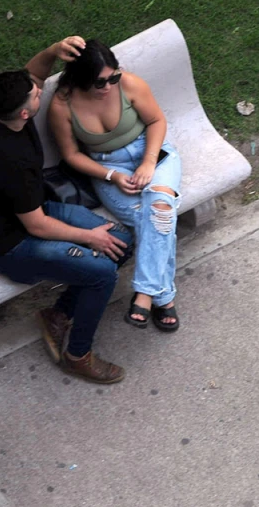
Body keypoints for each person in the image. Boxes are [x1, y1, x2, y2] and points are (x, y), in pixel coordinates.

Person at [0, 37, 133, 383]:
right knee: (102, 271)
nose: (42, 90)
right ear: (26, 113)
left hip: (34, 210)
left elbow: (33, 75)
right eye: (37, 95)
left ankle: (59, 315)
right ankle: (77, 355)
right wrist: (89, 237)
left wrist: (54, 51)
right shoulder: (9, 162)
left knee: (121, 241)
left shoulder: (0, 111)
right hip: (11, 245)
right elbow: (37, 227)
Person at [48, 38, 182, 332]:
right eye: (100, 82)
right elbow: (71, 155)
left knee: (158, 210)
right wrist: (111, 176)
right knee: (160, 219)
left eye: (114, 77)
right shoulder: (62, 105)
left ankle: (146, 293)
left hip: (154, 154)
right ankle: (164, 297)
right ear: (80, 79)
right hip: (107, 167)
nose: (109, 86)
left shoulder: (130, 85)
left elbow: (157, 121)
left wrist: (148, 162)